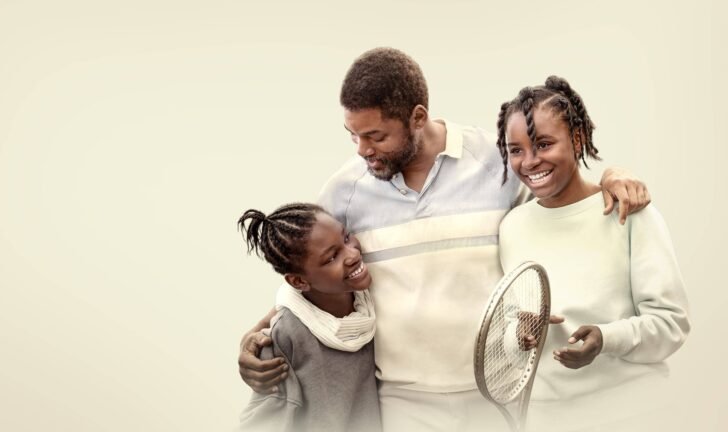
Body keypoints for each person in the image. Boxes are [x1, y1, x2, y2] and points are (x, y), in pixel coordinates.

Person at [238, 48, 651, 432]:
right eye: (353, 135)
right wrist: (257, 340)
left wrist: (610, 175)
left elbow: (557, 203)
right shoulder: (344, 189)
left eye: (376, 136)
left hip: (502, 393)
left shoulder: (495, 160)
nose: (363, 149)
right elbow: (307, 270)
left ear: (418, 118)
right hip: (402, 402)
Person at [496, 76, 690, 431]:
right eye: (517, 149)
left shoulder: (628, 211)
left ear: (578, 138)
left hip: (637, 415)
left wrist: (605, 338)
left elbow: (671, 324)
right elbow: (511, 329)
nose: (530, 161)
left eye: (543, 144)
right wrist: (518, 335)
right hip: (547, 419)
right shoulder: (512, 228)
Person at [236, 203, 381, 432]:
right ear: (298, 282)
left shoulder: (368, 299)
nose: (352, 254)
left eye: (345, 238)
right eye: (332, 257)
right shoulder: (286, 337)